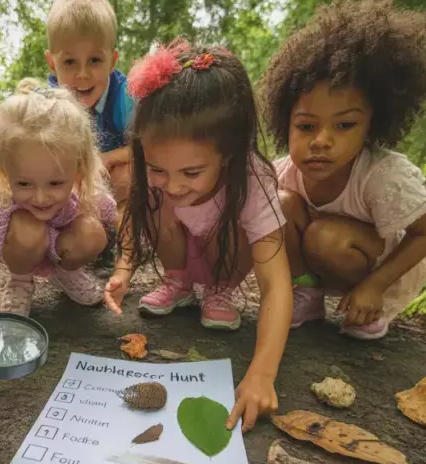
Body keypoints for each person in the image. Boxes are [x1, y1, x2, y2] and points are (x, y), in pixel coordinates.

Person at [103, 40, 292, 432]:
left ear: (228, 153)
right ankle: (180, 283)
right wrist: (123, 272)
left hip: (227, 254)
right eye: (158, 169)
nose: (172, 185)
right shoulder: (157, 175)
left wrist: (261, 374)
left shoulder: (252, 180)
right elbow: (136, 223)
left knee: (235, 222)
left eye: (191, 173)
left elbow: (276, 284)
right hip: (185, 252)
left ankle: (220, 289)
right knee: (152, 201)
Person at [260, 0, 426, 340]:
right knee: (277, 204)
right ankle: (306, 295)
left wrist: (376, 285)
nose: (322, 140)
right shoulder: (283, 171)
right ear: (286, 124)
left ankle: (370, 306)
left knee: (323, 236)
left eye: (344, 126)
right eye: (306, 126)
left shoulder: (383, 175)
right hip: (320, 261)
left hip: (380, 266)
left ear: (371, 126)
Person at [0, 79, 116, 395]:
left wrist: (125, 268)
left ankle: (66, 274)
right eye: (24, 184)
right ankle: (21, 281)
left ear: (77, 174)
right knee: (29, 227)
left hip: (62, 250)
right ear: (5, 174)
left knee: (93, 231)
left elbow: (121, 220)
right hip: (24, 250)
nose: (40, 197)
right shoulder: (4, 201)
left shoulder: (88, 195)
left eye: (56, 183)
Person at [44, 0, 134, 266]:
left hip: (110, 178)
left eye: (95, 60)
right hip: (71, 186)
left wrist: (102, 161)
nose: (82, 74)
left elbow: (145, 146)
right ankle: (69, 243)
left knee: (127, 175)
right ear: (52, 62)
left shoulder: (124, 96)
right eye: (70, 62)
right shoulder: (47, 103)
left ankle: (125, 246)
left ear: (112, 61)